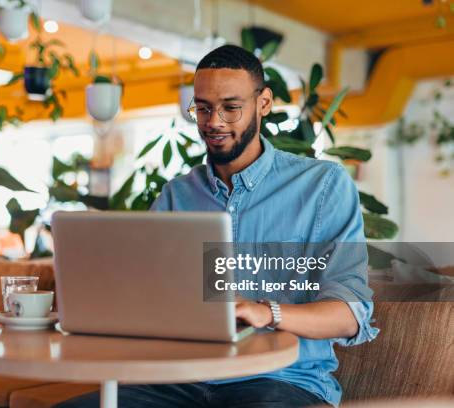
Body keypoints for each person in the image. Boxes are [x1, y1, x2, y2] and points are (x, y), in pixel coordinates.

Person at [56, 44, 378, 408]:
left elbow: (350, 314)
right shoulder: (177, 195)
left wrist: (265, 312)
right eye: (203, 108)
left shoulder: (322, 186)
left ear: (264, 103)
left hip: (281, 381)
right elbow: (148, 295)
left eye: (230, 107)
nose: (214, 122)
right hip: (179, 381)